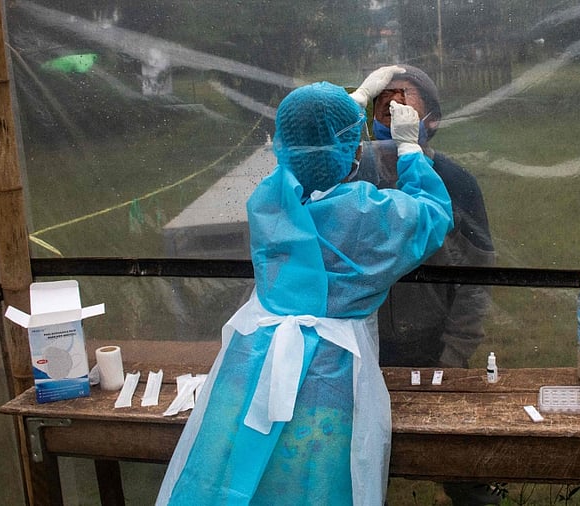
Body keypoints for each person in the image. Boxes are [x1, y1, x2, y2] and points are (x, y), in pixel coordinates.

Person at [156, 69, 454, 506]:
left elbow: (304, 153)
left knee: (230, 469)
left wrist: (351, 103)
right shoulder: (366, 215)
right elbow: (431, 214)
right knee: (314, 480)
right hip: (330, 371)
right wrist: (409, 147)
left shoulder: (268, 201)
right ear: (354, 148)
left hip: (251, 359)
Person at [357, 64, 498, 505]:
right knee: (352, 465)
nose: (392, 109)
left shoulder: (456, 184)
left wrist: (453, 355)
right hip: (360, 349)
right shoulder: (350, 176)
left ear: (431, 121)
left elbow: (477, 278)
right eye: (383, 103)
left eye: (403, 102)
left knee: (463, 466)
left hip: (433, 347)